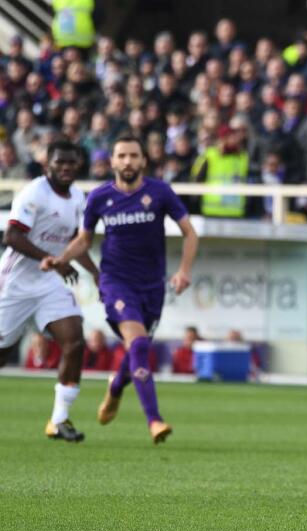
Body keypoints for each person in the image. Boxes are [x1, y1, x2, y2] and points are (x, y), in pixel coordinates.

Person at [54, 134, 199, 444]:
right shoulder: (98, 197)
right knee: (140, 345)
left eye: (134, 155)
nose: (128, 161)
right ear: (113, 161)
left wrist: (184, 271)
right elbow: (84, 240)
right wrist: (60, 258)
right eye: (122, 156)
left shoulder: (160, 192)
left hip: (152, 286)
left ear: (143, 160)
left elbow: (189, 232)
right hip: (116, 282)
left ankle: (117, 386)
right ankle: (155, 420)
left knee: (139, 348)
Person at [0, 140, 96, 442]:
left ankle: (59, 420)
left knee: (74, 339)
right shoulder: (34, 192)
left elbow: (75, 244)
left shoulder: (78, 197)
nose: (66, 168)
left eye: (71, 163)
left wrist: (97, 274)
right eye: (60, 163)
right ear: (47, 166)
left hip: (49, 282)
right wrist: (51, 261)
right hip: (15, 283)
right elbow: (12, 236)